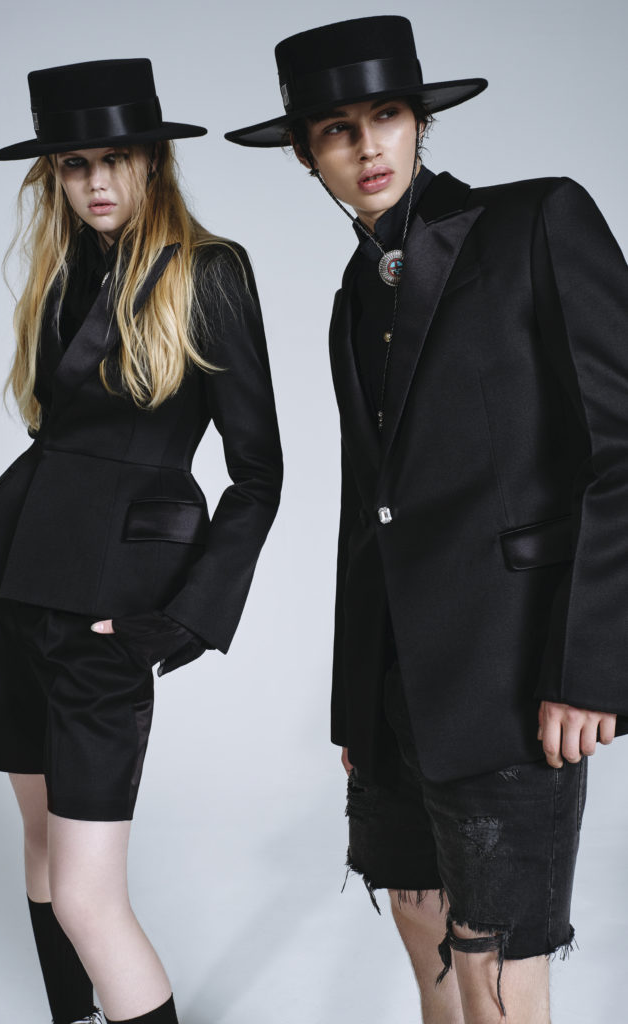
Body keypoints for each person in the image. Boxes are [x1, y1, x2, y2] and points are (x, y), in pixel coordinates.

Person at [225, 15, 627, 1024]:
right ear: (304, 154)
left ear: (418, 124)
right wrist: (354, 704)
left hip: (511, 678)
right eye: (336, 130)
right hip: (395, 692)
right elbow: (369, 515)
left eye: (387, 117)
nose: (367, 147)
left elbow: (621, 452)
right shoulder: (352, 297)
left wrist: (592, 666)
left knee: (497, 973)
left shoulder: (534, 221)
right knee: (420, 930)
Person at [0, 58, 282, 1024]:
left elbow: (258, 474)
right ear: (51, 174)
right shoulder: (62, 274)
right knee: (44, 855)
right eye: (73, 164)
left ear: (152, 162)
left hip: (106, 609)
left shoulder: (209, 271)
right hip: (7, 589)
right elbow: (56, 442)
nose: (96, 181)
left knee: (88, 896)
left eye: (116, 159)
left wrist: (184, 619)